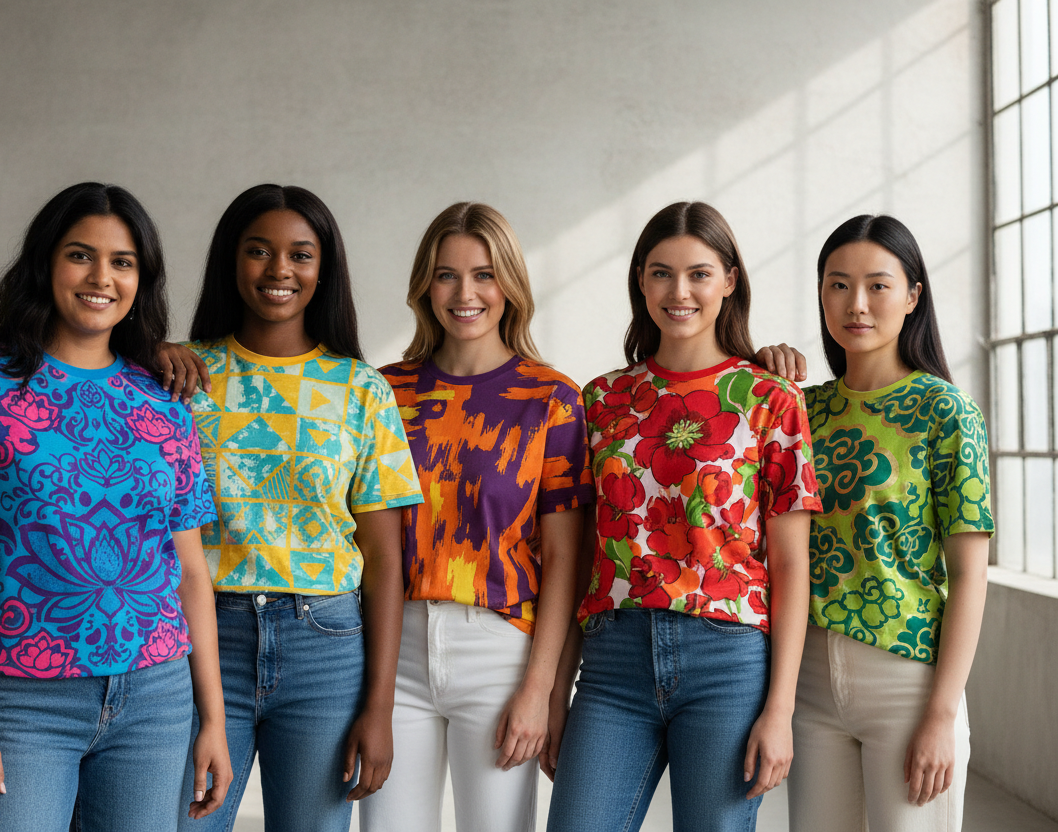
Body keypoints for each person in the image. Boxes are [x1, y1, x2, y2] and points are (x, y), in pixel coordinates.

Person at [0, 182, 230, 831]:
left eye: (122, 262)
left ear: (141, 279)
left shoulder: (161, 400)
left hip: (155, 701)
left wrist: (211, 719)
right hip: (18, 701)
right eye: (81, 255)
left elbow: (189, 571)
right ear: (45, 262)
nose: (101, 277)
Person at [544, 201, 822, 832]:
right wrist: (557, 692)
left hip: (727, 664)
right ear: (641, 281)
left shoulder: (769, 400)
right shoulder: (604, 400)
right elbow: (584, 558)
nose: (680, 291)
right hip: (613, 663)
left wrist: (779, 710)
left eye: (699, 273)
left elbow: (790, 564)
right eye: (661, 273)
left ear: (729, 280)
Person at [156, 184, 423, 832]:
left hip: (325, 646)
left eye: (300, 254)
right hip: (202, 637)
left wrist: (379, 708)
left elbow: (385, 559)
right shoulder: (183, 377)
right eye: (258, 251)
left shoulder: (361, 389)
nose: (280, 270)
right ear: (231, 261)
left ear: (323, 268)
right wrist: (146, 350)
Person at [356, 203, 592, 832]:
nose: (465, 294)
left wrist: (540, 691)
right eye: (446, 275)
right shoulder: (383, 393)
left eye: (484, 274)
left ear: (510, 285)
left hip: (500, 652)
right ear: (423, 287)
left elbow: (568, 558)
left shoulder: (553, 401)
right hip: (392, 648)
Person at [755, 215, 993, 832]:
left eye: (878, 285)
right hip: (805, 683)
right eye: (837, 285)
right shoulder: (801, 410)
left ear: (913, 296)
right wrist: (757, 372)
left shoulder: (946, 412)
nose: (855, 304)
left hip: (906, 684)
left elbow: (970, 575)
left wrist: (941, 714)